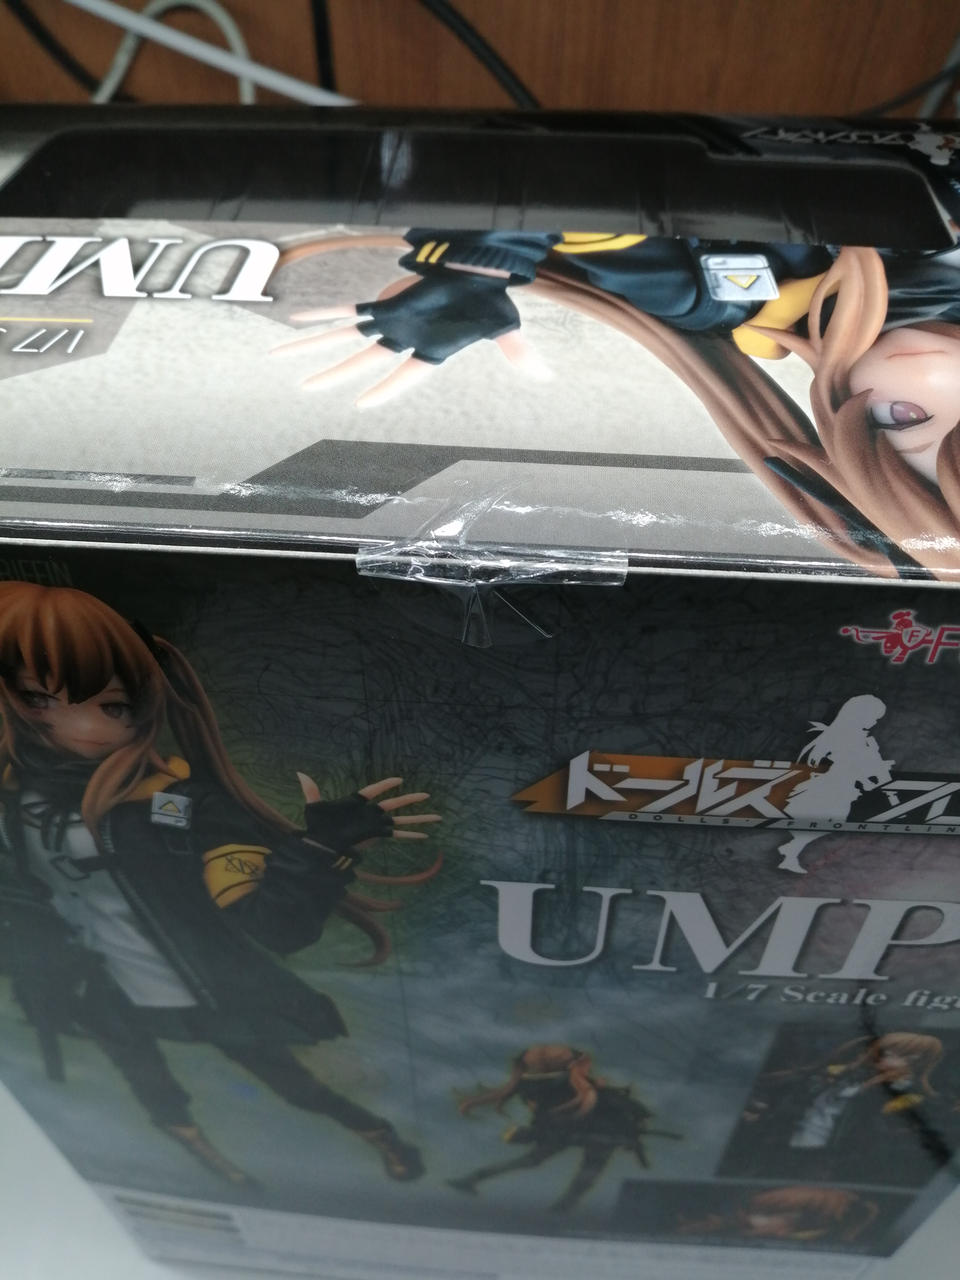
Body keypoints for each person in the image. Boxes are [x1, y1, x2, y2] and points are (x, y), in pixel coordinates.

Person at [0, 582, 440, 1188]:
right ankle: (212, 1166)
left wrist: (318, 850)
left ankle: (375, 1132)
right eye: (36, 698)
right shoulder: (15, 802)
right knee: (147, 1084)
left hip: (199, 986)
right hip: (99, 983)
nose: (82, 725)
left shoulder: (174, 805)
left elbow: (273, 925)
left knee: (291, 1084)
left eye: (113, 706)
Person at [275, 230, 960, 579]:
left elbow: (564, 181)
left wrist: (478, 266)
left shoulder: (725, 291)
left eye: (908, 418)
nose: (940, 370)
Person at [447, 1044, 677, 1211]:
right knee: (570, 1166)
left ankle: (562, 1207)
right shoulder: (563, 1083)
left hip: (598, 1131)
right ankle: (562, 1207)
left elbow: (606, 1108)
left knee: (578, 1168)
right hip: (578, 1130)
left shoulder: (543, 1083)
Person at [723, 1032, 957, 1187]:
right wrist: (763, 1112)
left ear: (916, 1061)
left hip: (833, 1159)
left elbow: (890, 1135)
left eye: (902, 1056)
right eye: (886, 1052)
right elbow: (792, 1089)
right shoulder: (839, 1074)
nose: (885, 1059)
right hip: (784, 1143)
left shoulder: (907, 1095)